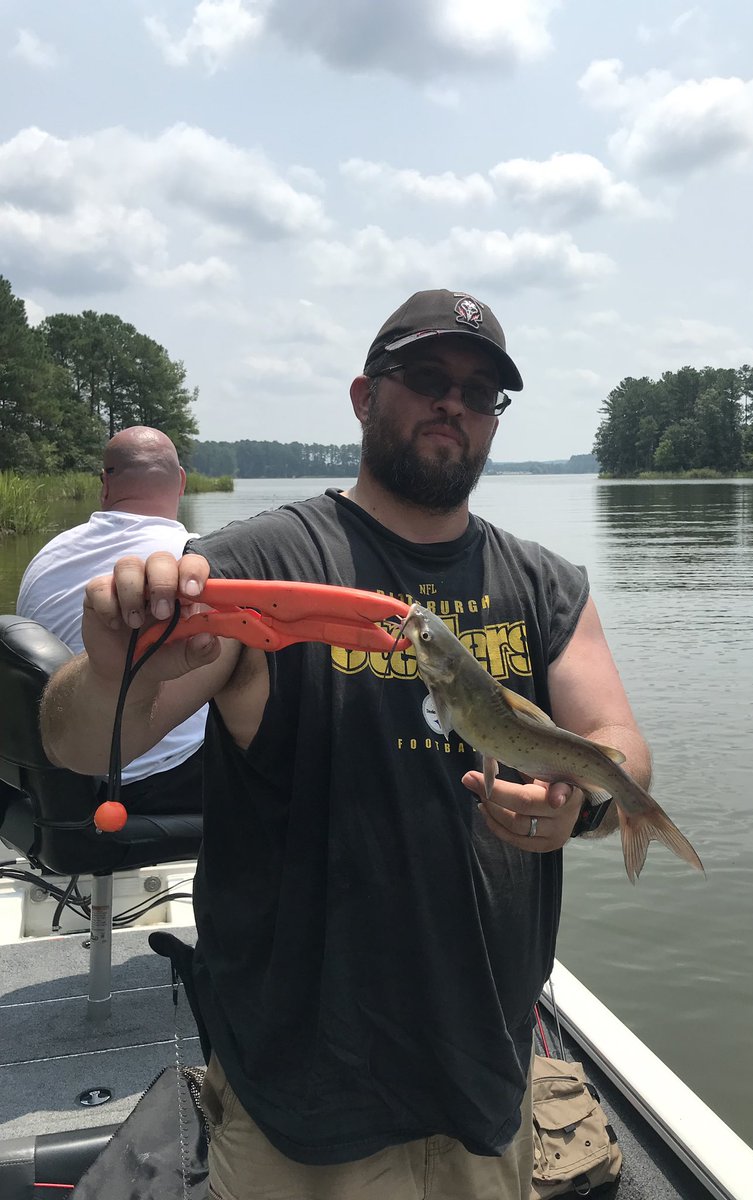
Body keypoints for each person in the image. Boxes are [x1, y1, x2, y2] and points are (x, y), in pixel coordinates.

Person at [40, 290, 651, 1200]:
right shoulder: (262, 565)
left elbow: (617, 747)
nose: (456, 403)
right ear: (366, 396)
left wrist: (584, 806)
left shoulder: (544, 580)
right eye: (428, 377)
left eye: (481, 392)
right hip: (301, 1096)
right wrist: (107, 669)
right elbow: (84, 742)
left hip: (487, 1075)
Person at [18, 426, 206, 815]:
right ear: (182, 483)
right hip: (161, 785)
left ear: (105, 485)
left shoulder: (46, 559)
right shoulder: (200, 564)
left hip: (55, 787)